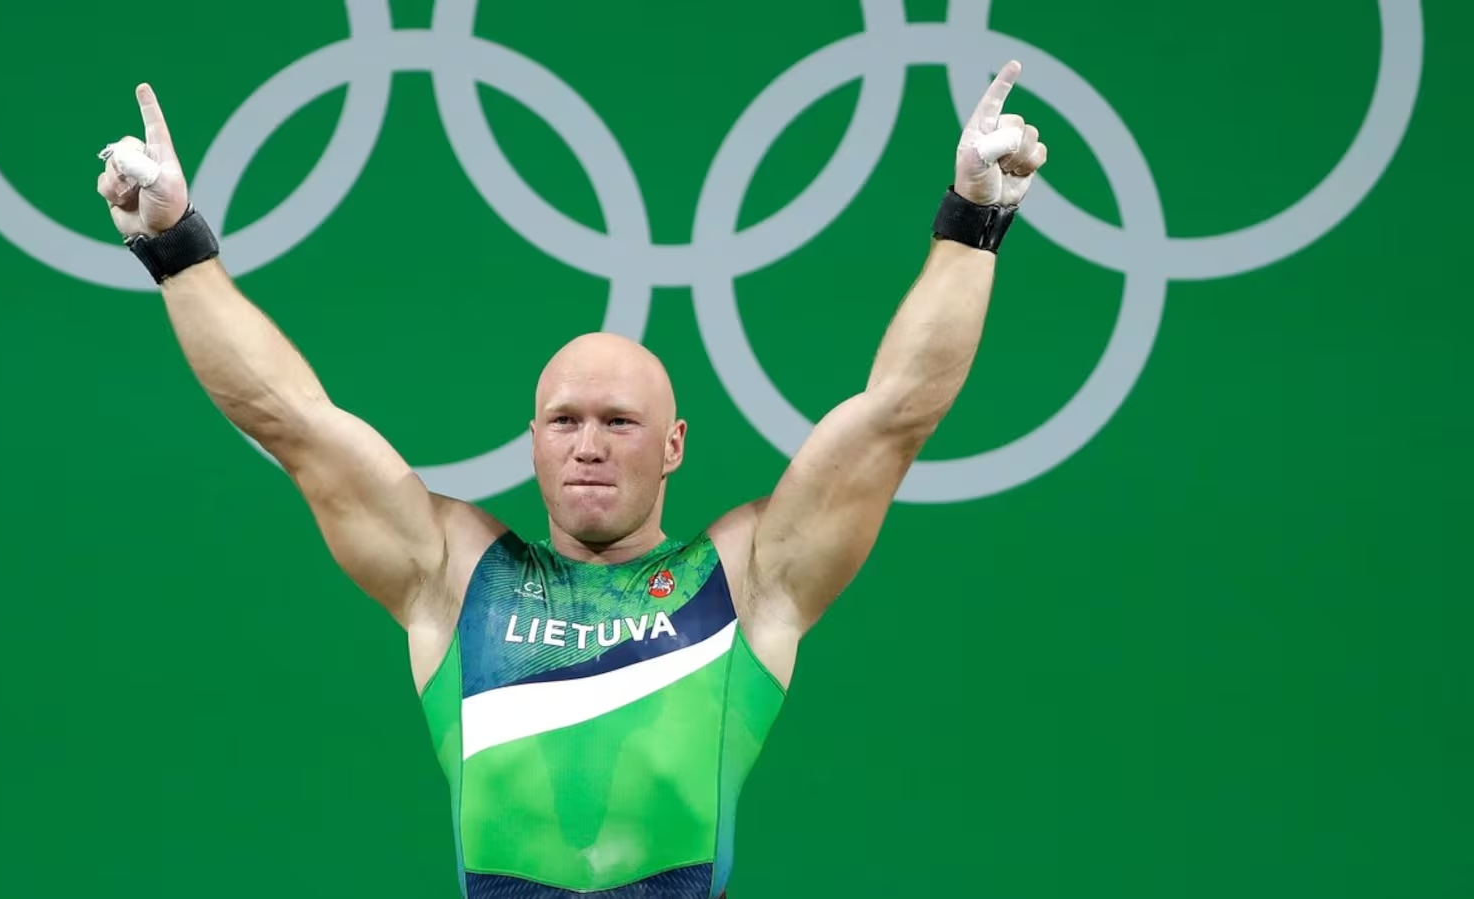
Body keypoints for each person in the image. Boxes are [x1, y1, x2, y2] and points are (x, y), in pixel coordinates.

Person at [95, 59, 1047, 899]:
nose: (589, 443)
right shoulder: (453, 574)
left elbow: (896, 412)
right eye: (566, 422)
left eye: (619, 422)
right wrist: (174, 247)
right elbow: (292, 422)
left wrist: (976, 217)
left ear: (673, 444)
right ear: (535, 443)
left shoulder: (750, 580)